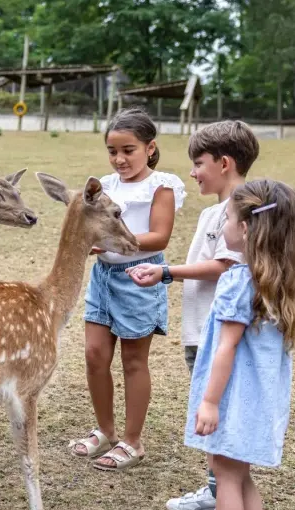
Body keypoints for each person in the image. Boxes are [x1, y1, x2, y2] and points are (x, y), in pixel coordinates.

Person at [128, 120, 260, 510]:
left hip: (219, 337)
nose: (192, 172)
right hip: (200, 335)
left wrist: (166, 271)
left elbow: (225, 266)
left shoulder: (241, 209)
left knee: (220, 422)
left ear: (224, 163)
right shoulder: (212, 211)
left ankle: (226, 505)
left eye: (198, 163)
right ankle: (215, 491)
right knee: (210, 424)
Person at [173, 180, 295, 510]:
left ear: (247, 228)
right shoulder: (279, 280)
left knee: (226, 477)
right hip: (259, 399)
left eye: (228, 221)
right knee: (240, 474)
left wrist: (210, 402)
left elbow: (226, 348)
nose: (224, 229)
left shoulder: (239, 280)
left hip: (233, 398)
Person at [69, 108, 186, 471]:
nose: (119, 159)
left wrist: (109, 243)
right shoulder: (104, 186)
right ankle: (105, 431)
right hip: (103, 279)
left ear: (150, 148)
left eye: (128, 150)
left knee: (133, 361)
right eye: (112, 151)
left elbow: (159, 235)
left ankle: (133, 442)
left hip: (140, 278)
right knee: (94, 355)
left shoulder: (161, 185)